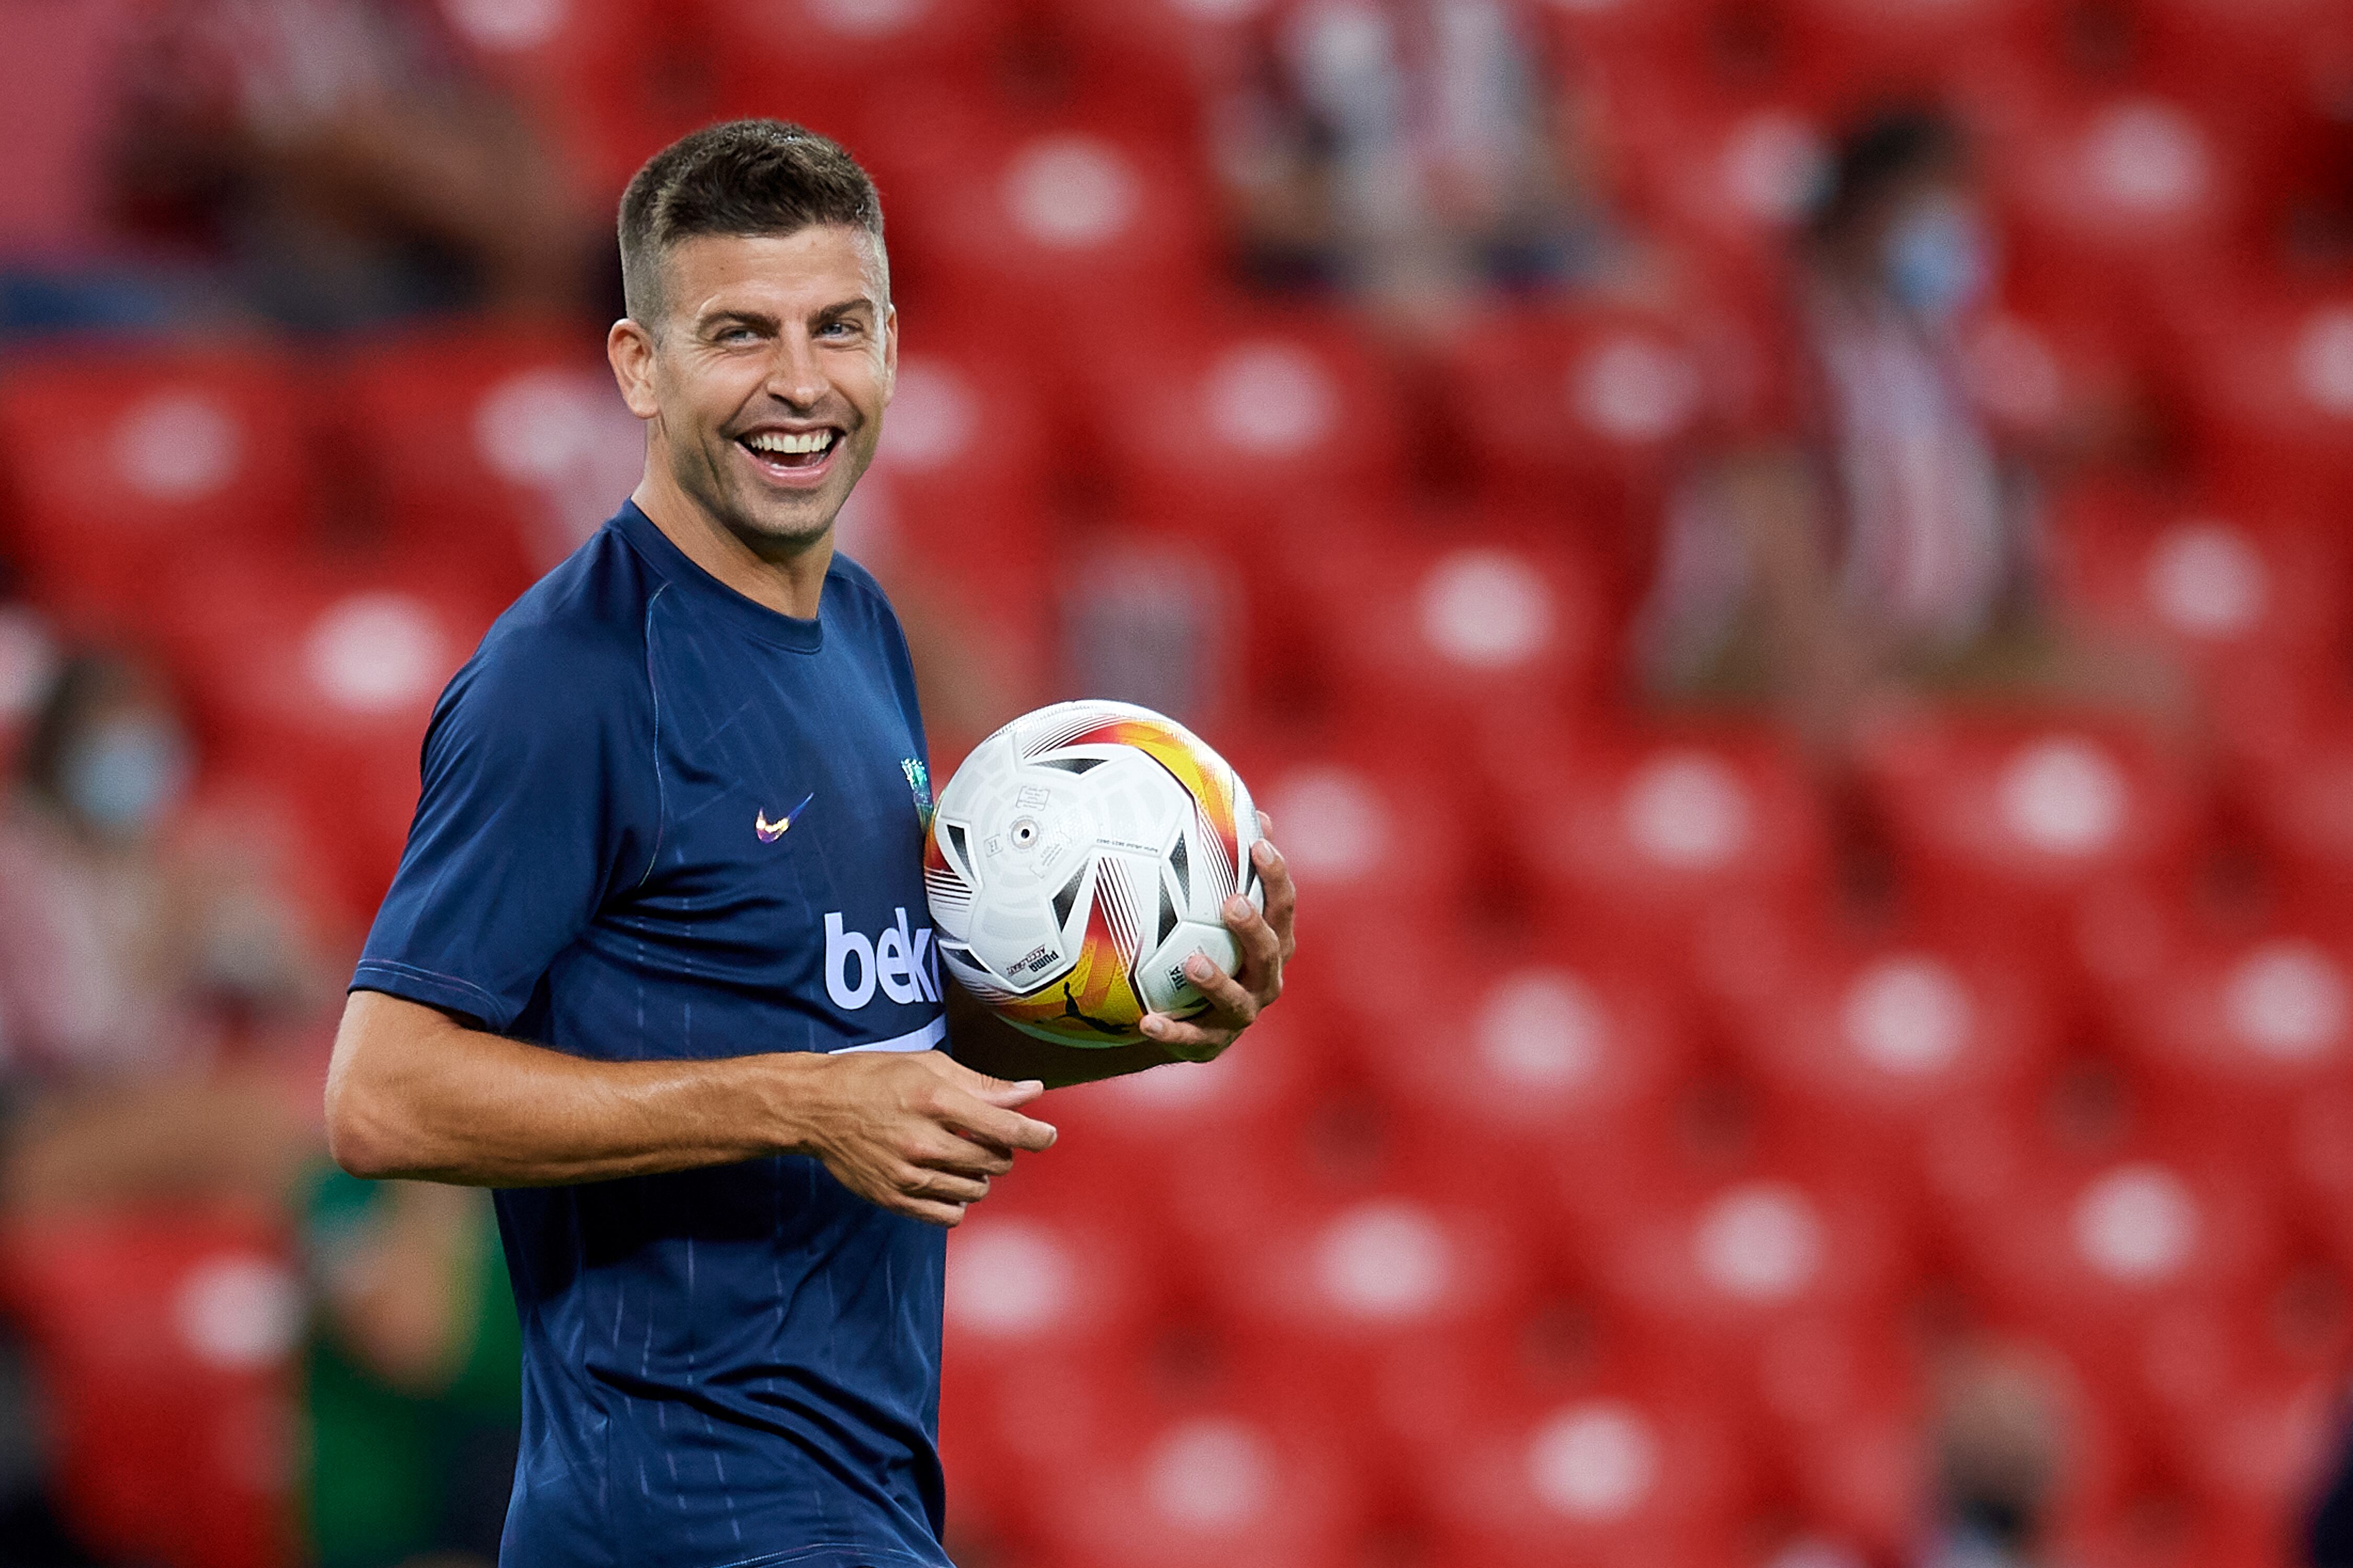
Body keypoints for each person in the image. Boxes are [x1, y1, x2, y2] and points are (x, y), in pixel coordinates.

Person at [323, 120, 1298, 1568]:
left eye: (837, 327)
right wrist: (803, 1103)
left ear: (893, 347)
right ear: (639, 369)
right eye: (739, 334)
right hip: (685, 1512)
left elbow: (871, 1029)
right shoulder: (574, 681)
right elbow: (380, 1099)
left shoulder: (862, 629)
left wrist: (1135, 1014)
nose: (799, 382)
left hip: (855, 1497)